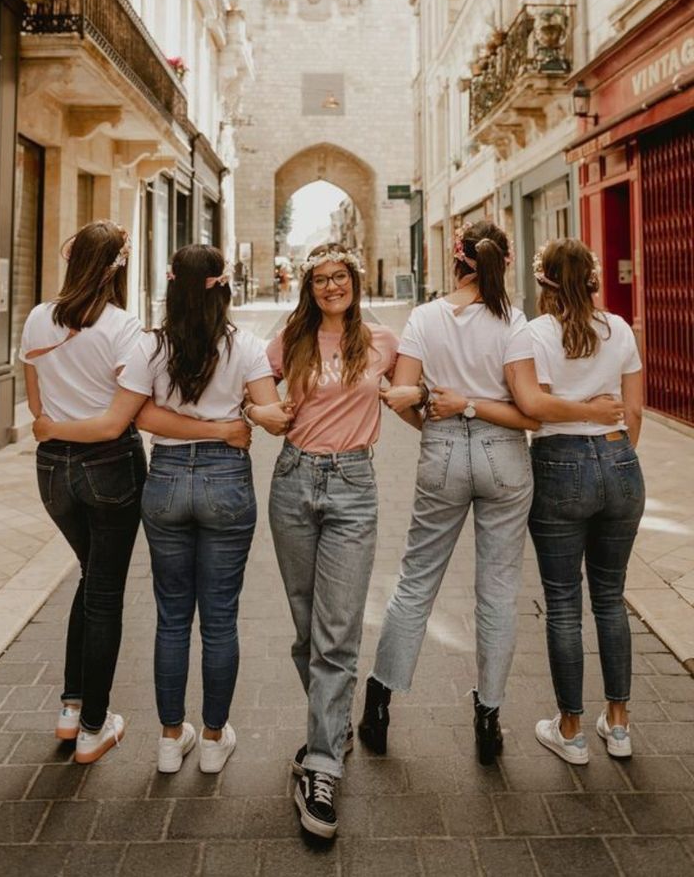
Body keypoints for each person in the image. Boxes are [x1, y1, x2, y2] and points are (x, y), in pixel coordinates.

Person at [360, 220, 626, 767]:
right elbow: (530, 412)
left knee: (415, 581)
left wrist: (437, 424)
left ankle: (379, 706)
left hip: (442, 454)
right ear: (503, 262)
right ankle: (488, 717)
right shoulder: (518, 325)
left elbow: (405, 395)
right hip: (503, 455)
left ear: (456, 260)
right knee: (499, 590)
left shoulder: (426, 317)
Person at [33, 244, 290, 776]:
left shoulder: (151, 345)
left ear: (172, 285)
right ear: (224, 285)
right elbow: (269, 413)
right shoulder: (246, 345)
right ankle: (215, 739)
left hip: (167, 481)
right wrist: (251, 416)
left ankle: (171, 739)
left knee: (172, 618)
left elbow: (141, 416)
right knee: (219, 619)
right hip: (224, 479)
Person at [266, 243, 402, 839]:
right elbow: (249, 392)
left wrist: (428, 401)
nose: (330, 287)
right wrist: (256, 411)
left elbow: (418, 392)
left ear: (355, 281)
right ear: (309, 287)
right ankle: (334, 729)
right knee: (306, 629)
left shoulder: (381, 342)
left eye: (339, 277)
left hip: (352, 483)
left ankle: (321, 768)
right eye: (320, 279)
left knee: (337, 631)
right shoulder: (288, 340)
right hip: (293, 480)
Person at [21, 220, 146, 765]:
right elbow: (114, 425)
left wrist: (52, 431)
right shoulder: (124, 328)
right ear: (118, 266)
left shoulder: (36, 318)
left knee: (91, 577)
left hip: (53, 474)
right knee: (104, 592)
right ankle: (95, 726)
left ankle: (71, 710)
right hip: (109, 469)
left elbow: (37, 412)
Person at [527, 239, 645, 765]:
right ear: (593, 279)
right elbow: (634, 411)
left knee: (563, 603)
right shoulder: (619, 328)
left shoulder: (537, 334)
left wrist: (579, 426)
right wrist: (613, 453)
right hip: (620, 459)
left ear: (544, 281)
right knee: (611, 597)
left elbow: (537, 410)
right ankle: (618, 725)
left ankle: (571, 730)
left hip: (559, 462)